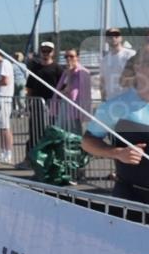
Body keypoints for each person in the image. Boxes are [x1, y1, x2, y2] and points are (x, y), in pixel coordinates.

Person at [81, 49, 149, 203]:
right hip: (132, 198)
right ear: (137, 67)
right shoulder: (116, 106)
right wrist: (117, 152)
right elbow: (87, 142)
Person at [50, 49, 92, 136]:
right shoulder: (66, 72)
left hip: (75, 109)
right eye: (66, 57)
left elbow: (71, 91)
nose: (68, 59)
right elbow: (61, 90)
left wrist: (69, 74)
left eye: (71, 56)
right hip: (64, 106)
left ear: (77, 58)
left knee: (75, 135)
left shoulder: (82, 72)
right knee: (61, 132)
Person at [101, 28, 136, 101]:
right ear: (106, 39)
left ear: (121, 38)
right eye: (110, 36)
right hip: (111, 101)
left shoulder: (131, 55)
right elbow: (103, 81)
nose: (113, 38)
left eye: (116, 35)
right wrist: (103, 99)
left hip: (129, 100)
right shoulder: (104, 60)